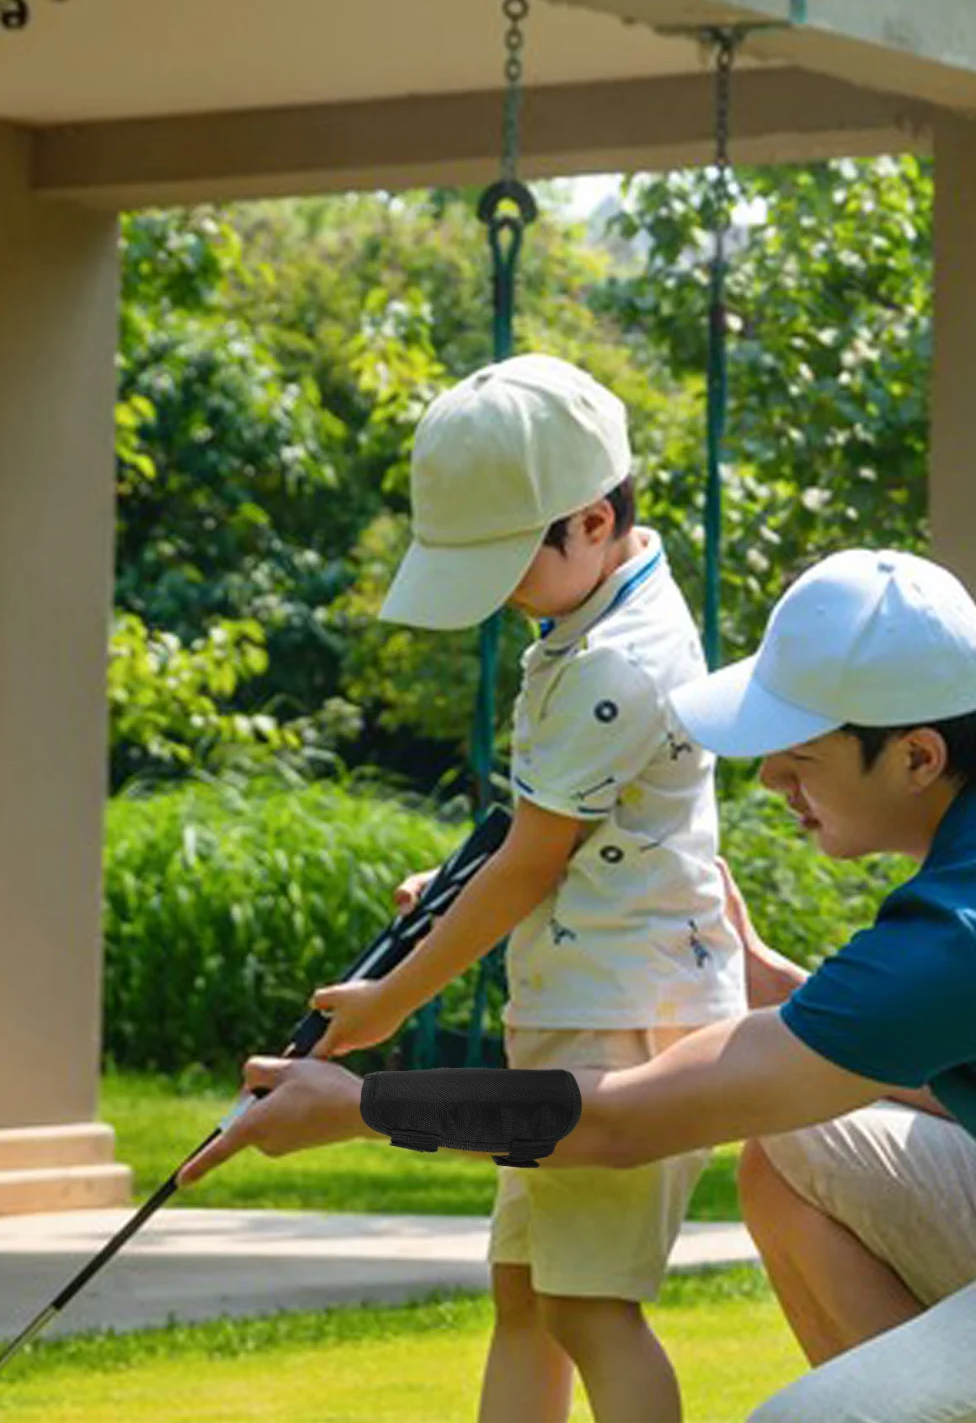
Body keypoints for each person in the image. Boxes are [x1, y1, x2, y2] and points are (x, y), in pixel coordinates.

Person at [184, 549, 976, 1423]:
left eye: (800, 754)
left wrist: (364, 1107)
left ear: (917, 754)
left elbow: (617, 1123)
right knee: (797, 1148)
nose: (771, 781)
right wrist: (790, 992)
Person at [303, 355, 746, 1423]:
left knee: (590, 1307)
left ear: (591, 522)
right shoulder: (598, 611)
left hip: (621, 1020)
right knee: (529, 1297)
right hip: (584, 1002)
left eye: (507, 561)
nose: (499, 592)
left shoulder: (614, 664)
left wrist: (391, 999)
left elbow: (534, 861)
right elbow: (561, 843)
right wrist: (463, 886)